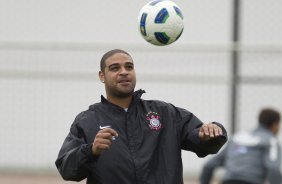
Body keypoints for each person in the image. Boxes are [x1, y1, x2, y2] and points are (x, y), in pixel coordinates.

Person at [55, 49, 228, 184]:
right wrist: (91, 151)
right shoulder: (87, 120)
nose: (124, 72)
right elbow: (67, 169)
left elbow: (200, 138)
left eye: (129, 67)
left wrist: (209, 133)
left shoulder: (165, 112)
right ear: (102, 76)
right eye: (115, 68)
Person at [200, 108, 281, 184]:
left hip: (228, 181)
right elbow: (273, 169)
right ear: (275, 124)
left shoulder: (237, 138)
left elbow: (209, 165)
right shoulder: (271, 141)